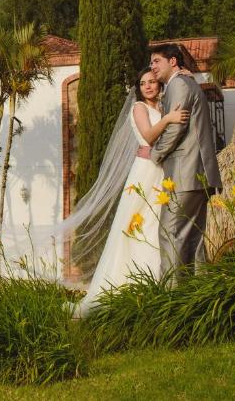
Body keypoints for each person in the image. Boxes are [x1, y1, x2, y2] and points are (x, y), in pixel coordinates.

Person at [76, 67, 188, 316]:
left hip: (161, 170)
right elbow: (148, 136)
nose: (148, 86)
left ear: (159, 85)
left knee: (158, 223)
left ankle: (159, 283)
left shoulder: (161, 107)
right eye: (143, 83)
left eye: (152, 82)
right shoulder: (139, 108)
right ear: (138, 88)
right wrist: (169, 119)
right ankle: (129, 282)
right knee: (137, 225)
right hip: (145, 170)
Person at [137, 43, 221, 279]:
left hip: (186, 172)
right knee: (193, 239)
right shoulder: (182, 83)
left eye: (156, 61)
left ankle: (171, 298)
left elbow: (175, 129)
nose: (152, 67)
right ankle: (197, 297)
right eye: (151, 62)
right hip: (198, 173)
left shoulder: (179, 84)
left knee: (170, 233)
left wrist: (154, 154)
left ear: (172, 62)